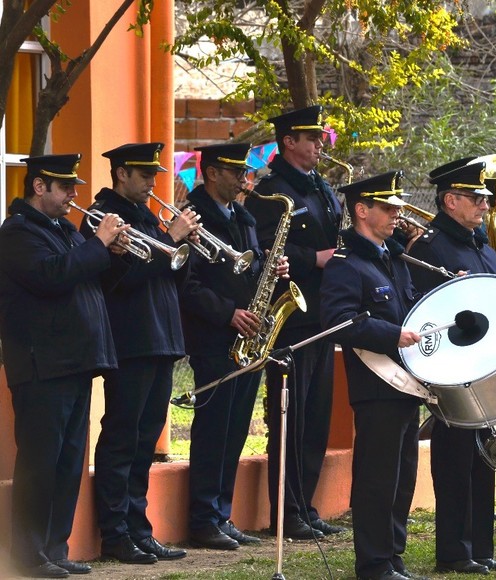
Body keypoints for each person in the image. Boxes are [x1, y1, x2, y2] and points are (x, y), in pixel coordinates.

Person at [0, 155, 126, 579]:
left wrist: (112, 251)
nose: (74, 195)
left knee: (70, 463)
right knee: (41, 463)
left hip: (74, 363)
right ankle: (28, 555)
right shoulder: (17, 232)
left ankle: (55, 548)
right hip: (42, 366)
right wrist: (97, 244)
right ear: (39, 187)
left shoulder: (64, 230)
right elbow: (51, 277)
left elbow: (87, 281)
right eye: (65, 187)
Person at [87, 142, 198, 564]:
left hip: (161, 339)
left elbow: (170, 274)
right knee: (122, 438)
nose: (154, 182)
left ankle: (138, 528)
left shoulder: (145, 215)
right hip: (132, 341)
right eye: (145, 174)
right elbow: (120, 280)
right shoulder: (103, 217)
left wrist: (181, 248)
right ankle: (115, 534)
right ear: (121, 175)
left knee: (144, 440)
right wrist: (169, 240)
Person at [180, 143, 290, 549]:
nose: (244, 177)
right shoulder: (192, 217)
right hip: (215, 338)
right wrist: (228, 313)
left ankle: (221, 514)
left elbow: (249, 270)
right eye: (234, 171)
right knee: (213, 430)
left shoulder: (241, 216)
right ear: (210, 173)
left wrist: (272, 270)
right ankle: (203, 518)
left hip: (249, 338)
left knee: (235, 430)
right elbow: (187, 286)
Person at [407, 159, 496, 574]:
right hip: (452, 372)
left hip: (485, 369)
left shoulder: (480, 244)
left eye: (485, 197)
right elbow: (423, 315)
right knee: (454, 464)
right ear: (451, 200)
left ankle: (481, 548)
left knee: (483, 458)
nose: (485, 204)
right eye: (476, 197)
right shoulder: (431, 247)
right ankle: (453, 551)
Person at [245, 104, 344, 540]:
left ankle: (305, 504)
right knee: (291, 416)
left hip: (322, 313)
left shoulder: (320, 186)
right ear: (289, 142)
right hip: (289, 319)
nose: (320, 145)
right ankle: (285, 511)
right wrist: (313, 259)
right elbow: (266, 252)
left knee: (316, 417)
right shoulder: (270, 192)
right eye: (312, 139)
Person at [320, 171, 424, 580]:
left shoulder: (391, 258)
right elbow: (339, 322)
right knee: (377, 481)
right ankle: (374, 563)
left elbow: (411, 309)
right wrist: (393, 334)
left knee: (401, 480)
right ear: (362, 210)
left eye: (397, 206)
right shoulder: (347, 265)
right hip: (377, 386)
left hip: (407, 384)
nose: (397, 213)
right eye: (388, 207)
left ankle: (392, 556)